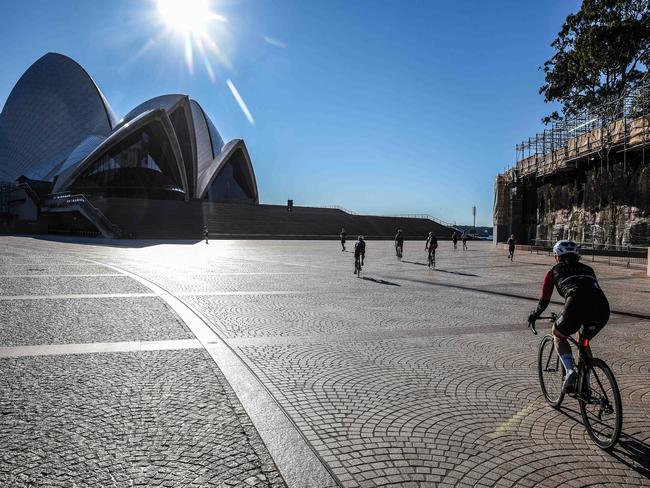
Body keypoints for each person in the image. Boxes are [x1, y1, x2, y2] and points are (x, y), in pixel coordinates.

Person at [528, 240, 610, 393]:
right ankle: (586, 382)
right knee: (583, 340)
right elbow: (589, 290)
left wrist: (535, 315)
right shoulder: (589, 269)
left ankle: (570, 371)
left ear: (557, 257)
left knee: (558, 334)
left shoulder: (553, 271)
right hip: (602, 308)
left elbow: (544, 300)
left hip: (575, 306)